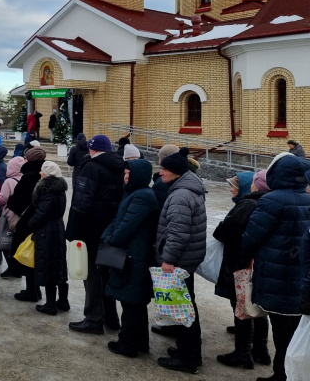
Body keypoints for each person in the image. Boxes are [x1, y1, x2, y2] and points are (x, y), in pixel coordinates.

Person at [240, 153, 310, 381]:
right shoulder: (307, 198)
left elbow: (252, 236)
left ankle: (281, 375)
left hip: (276, 275)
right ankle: (288, 373)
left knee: (281, 331)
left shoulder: (272, 200)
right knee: (294, 328)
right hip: (299, 275)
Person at [154, 147, 207, 374]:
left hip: (179, 260)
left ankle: (188, 358)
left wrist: (168, 260)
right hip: (188, 258)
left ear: (176, 172)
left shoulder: (180, 196)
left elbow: (177, 233)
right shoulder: (187, 188)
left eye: (165, 169)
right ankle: (190, 351)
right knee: (186, 304)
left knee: (184, 308)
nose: (161, 173)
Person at [213, 169, 271, 369]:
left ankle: (242, 353)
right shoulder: (267, 204)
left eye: (234, 186)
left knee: (241, 308)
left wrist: (222, 228)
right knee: (256, 308)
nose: (231, 189)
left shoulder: (248, 204)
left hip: (241, 264)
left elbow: (224, 232)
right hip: (256, 263)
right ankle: (260, 350)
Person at [66, 134, 124, 335]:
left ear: (93, 149)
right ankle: (111, 317)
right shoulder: (118, 166)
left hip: (90, 229)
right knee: (106, 273)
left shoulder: (92, 167)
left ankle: (93, 319)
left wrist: (73, 231)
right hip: (109, 230)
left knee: (91, 275)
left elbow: (81, 202)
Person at [102, 159, 158, 357]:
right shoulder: (134, 193)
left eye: (129, 174)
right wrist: (107, 235)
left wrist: (111, 240)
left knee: (131, 302)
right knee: (135, 302)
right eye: (125, 174)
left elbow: (126, 226)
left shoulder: (143, 196)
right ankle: (140, 342)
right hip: (133, 253)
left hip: (135, 256)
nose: (125, 177)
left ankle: (127, 345)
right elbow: (117, 220)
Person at [27, 161, 69, 314]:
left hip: (47, 232)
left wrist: (30, 224)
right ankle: (63, 301)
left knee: (48, 266)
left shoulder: (47, 190)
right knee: (59, 265)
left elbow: (42, 213)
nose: (40, 173)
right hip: (58, 229)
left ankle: (50, 304)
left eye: (42, 171)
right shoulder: (60, 189)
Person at [6, 146, 47, 298]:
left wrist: (11, 201)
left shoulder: (28, 176)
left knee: (26, 253)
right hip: (40, 221)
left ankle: (31, 291)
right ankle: (36, 289)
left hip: (26, 222)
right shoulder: (44, 175)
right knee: (35, 254)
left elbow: (16, 201)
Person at [0, 156, 25, 278]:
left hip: (10, 215)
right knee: (18, 242)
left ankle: (13, 268)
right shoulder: (25, 179)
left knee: (6, 243)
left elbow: (2, 198)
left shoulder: (9, 181)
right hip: (22, 216)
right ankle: (18, 267)